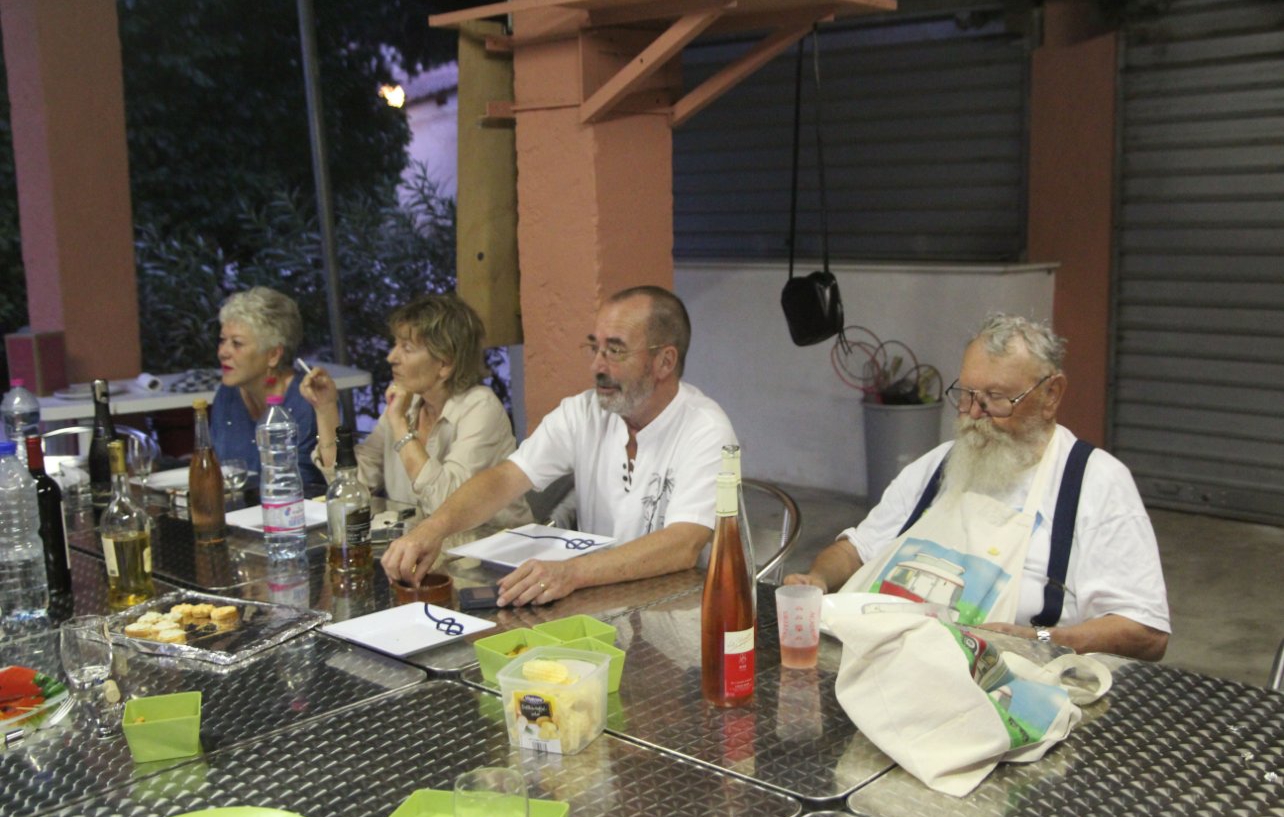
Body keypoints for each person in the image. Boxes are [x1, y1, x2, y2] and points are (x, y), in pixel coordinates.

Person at [786, 314, 1170, 661]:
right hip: (897, 661)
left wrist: (1042, 639)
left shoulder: (1094, 481)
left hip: (1018, 680)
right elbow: (856, 550)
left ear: (1051, 395)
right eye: (966, 394)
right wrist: (818, 579)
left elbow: (1146, 632)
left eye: (996, 399)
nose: (972, 414)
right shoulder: (937, 465)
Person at [382, 285, 738, 606]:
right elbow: (505, 478)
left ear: (665, 361)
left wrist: (572, 572)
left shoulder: (705, 429)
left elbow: (683, 544)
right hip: (600, 603)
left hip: (680, 612)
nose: (597, 365)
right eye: (594, 348)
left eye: (615, 351)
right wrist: (433, 529)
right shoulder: (583, 411)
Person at [299, 294, 531, 531]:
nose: (391, 357)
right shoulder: (409, 404)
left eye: (407, 349)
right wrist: (326, 409)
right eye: (395, 345)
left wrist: (400, 425)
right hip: (428, 545)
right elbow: (351, 484)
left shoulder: (480, 407)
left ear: (445, 364)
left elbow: (447, 506)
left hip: (493, 547)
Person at [213, 287, 323, 489]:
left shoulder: (306, 400)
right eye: (222, 340)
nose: (223, 352)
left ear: (273, 355)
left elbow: (304, 486)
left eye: (237, 343)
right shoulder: (227, 394)